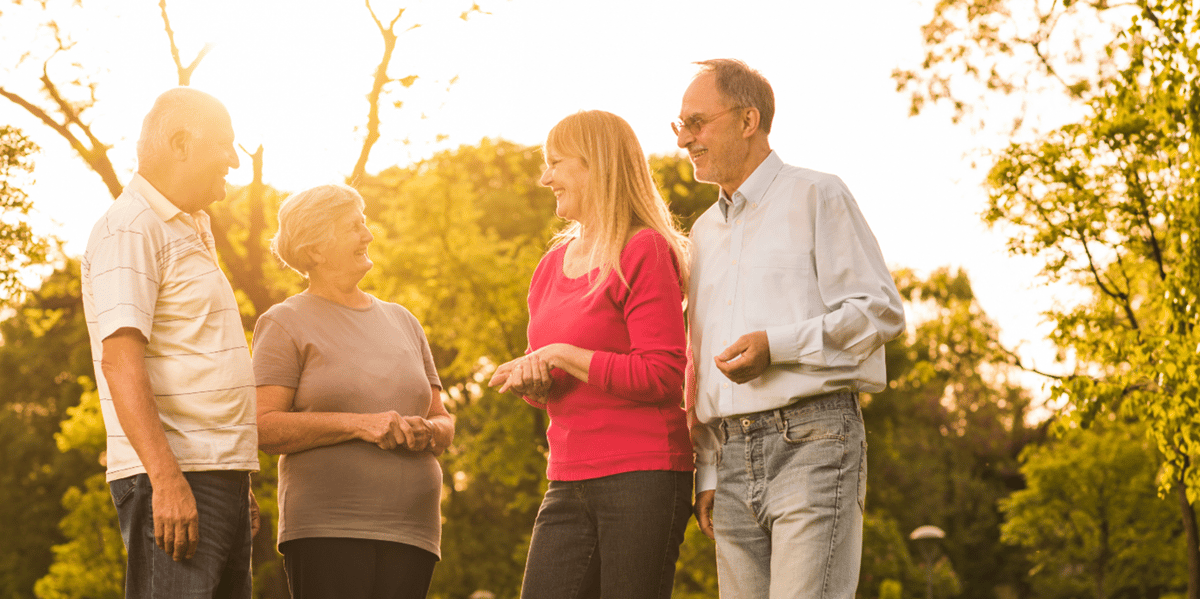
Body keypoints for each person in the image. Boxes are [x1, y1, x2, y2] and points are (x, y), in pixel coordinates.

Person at [678, 59, 906, 598]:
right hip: (731, 459)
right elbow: (700, 356)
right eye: (680, 126)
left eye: (696, 123)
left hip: (814, 440)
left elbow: (880, 310)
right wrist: (708, 470)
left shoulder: (817, 195)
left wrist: (776, 347)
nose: (685, 139)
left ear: (748, 119)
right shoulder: (704, 233)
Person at [488, 110, 693, 599]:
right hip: (567, 475)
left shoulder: (643, 250)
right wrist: (537, 383)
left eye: (556, 162)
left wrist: (561, 353)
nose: (545, 178)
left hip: (643, 475)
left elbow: (664, 374)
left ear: (595, 165)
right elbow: (560, 381)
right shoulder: (550, 267)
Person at [81, 87, 259, 598]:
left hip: (215, 474)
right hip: (178, 476)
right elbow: (120, 362)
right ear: (181, 142)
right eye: (224, 144)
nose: (233, 159)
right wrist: (167, 479)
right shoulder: (131, 229)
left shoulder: (188, 226)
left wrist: (233, 475)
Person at [251, 183, 453, 599]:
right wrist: (361, 425)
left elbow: (444, 420)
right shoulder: (284, 322)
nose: (368, 236)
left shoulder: (403, 321)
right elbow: (262, 427)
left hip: (413, 530)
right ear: (315, 250)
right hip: (328, 528)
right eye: (354, 227)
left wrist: (428, 432)